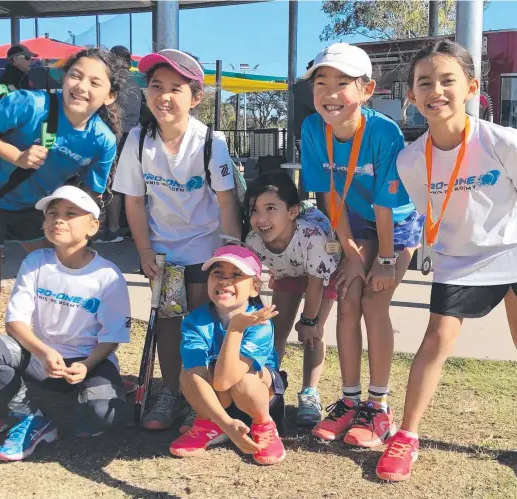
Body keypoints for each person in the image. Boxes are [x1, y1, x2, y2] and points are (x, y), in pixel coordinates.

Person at [0, 48, 123, 436]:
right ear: (64, 77)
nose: (81, 86)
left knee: (67, 275)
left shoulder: (102, 139)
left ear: (110, 96)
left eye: (95, 82)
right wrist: (14, 155)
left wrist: (78, 227)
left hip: (37, 212)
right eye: (75, 75)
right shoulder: (29, 103)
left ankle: (86, 365)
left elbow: (93, 196)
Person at [376, 40, 517, 482]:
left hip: (512, 251)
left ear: (472, 87)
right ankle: (407, 437)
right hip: (458, 260)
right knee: (436, 340)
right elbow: (427, 215)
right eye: (424, 83)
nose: (435, 90)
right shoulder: (410, 160)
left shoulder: (503, 142)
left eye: (447, 80)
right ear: (412, 97)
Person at [300, 43, 424, 448]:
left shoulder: (383, 131)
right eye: (322, 82)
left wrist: (384, 260)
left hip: (396, 221)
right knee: (348, 295)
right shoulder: (311, 129)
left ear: (367, 89)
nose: (330, 93)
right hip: (354, 222)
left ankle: (378, 405)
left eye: (342, 83)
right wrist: (353, 255)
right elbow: (331, 198)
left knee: (374, 301)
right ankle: (350, 401)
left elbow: (387, 205)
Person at [112, 49, 241, 432]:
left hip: (206, 250)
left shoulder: (209, 141)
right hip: (164, 254)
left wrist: (228, 259)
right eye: (156, 86)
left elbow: (226, 201)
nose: (163, 96)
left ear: (195, 98)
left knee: (201, 325)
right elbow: (133, 202)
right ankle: (170, 393)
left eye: (175, 88)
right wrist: (146, 251)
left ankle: (199, 399)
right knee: (169, 324)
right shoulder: (137, 139)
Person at [0, 186, 130, 461]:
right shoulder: (36, 261)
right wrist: (44, 352)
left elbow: (111, 336)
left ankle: (91, 394)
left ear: (93, 226)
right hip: (42, 360)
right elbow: (15, 322)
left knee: (102, 415)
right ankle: (31, 417)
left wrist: (86, 366)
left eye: (70, 214)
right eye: (52, 213)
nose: (58, 220)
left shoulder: (107, 275)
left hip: (88, 362)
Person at [169, 245, 286, 465]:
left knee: (243, 380)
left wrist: (235, 329)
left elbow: (225, 381)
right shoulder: (195, 321)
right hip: (217, 402)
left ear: (254, 288)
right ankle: (208, 425)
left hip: (256, 397)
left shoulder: (260, 323)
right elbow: (197, 376)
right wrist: (226, 425)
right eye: (218, 273)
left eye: (236, 275)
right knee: (187, 374)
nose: (225, 281)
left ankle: (263, 425)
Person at [244, 172, 339, 426]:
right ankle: (270, 381)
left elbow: (316, 284)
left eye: (271, 208)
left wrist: (309, 321)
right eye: (255, 209)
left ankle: (310, 392)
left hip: (321, 271)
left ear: (293, 212)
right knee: (275, 332)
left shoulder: (312, 236)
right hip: (287, 270)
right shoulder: (253, 240)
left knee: (313, 334)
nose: (261, 218)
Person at [94, 45, 143, 244]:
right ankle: (115, 229)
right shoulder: (136, 83)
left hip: (111, 135)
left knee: (104, 182)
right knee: (122, 185)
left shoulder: (114, 81)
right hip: (132, 137)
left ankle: (102, 228)